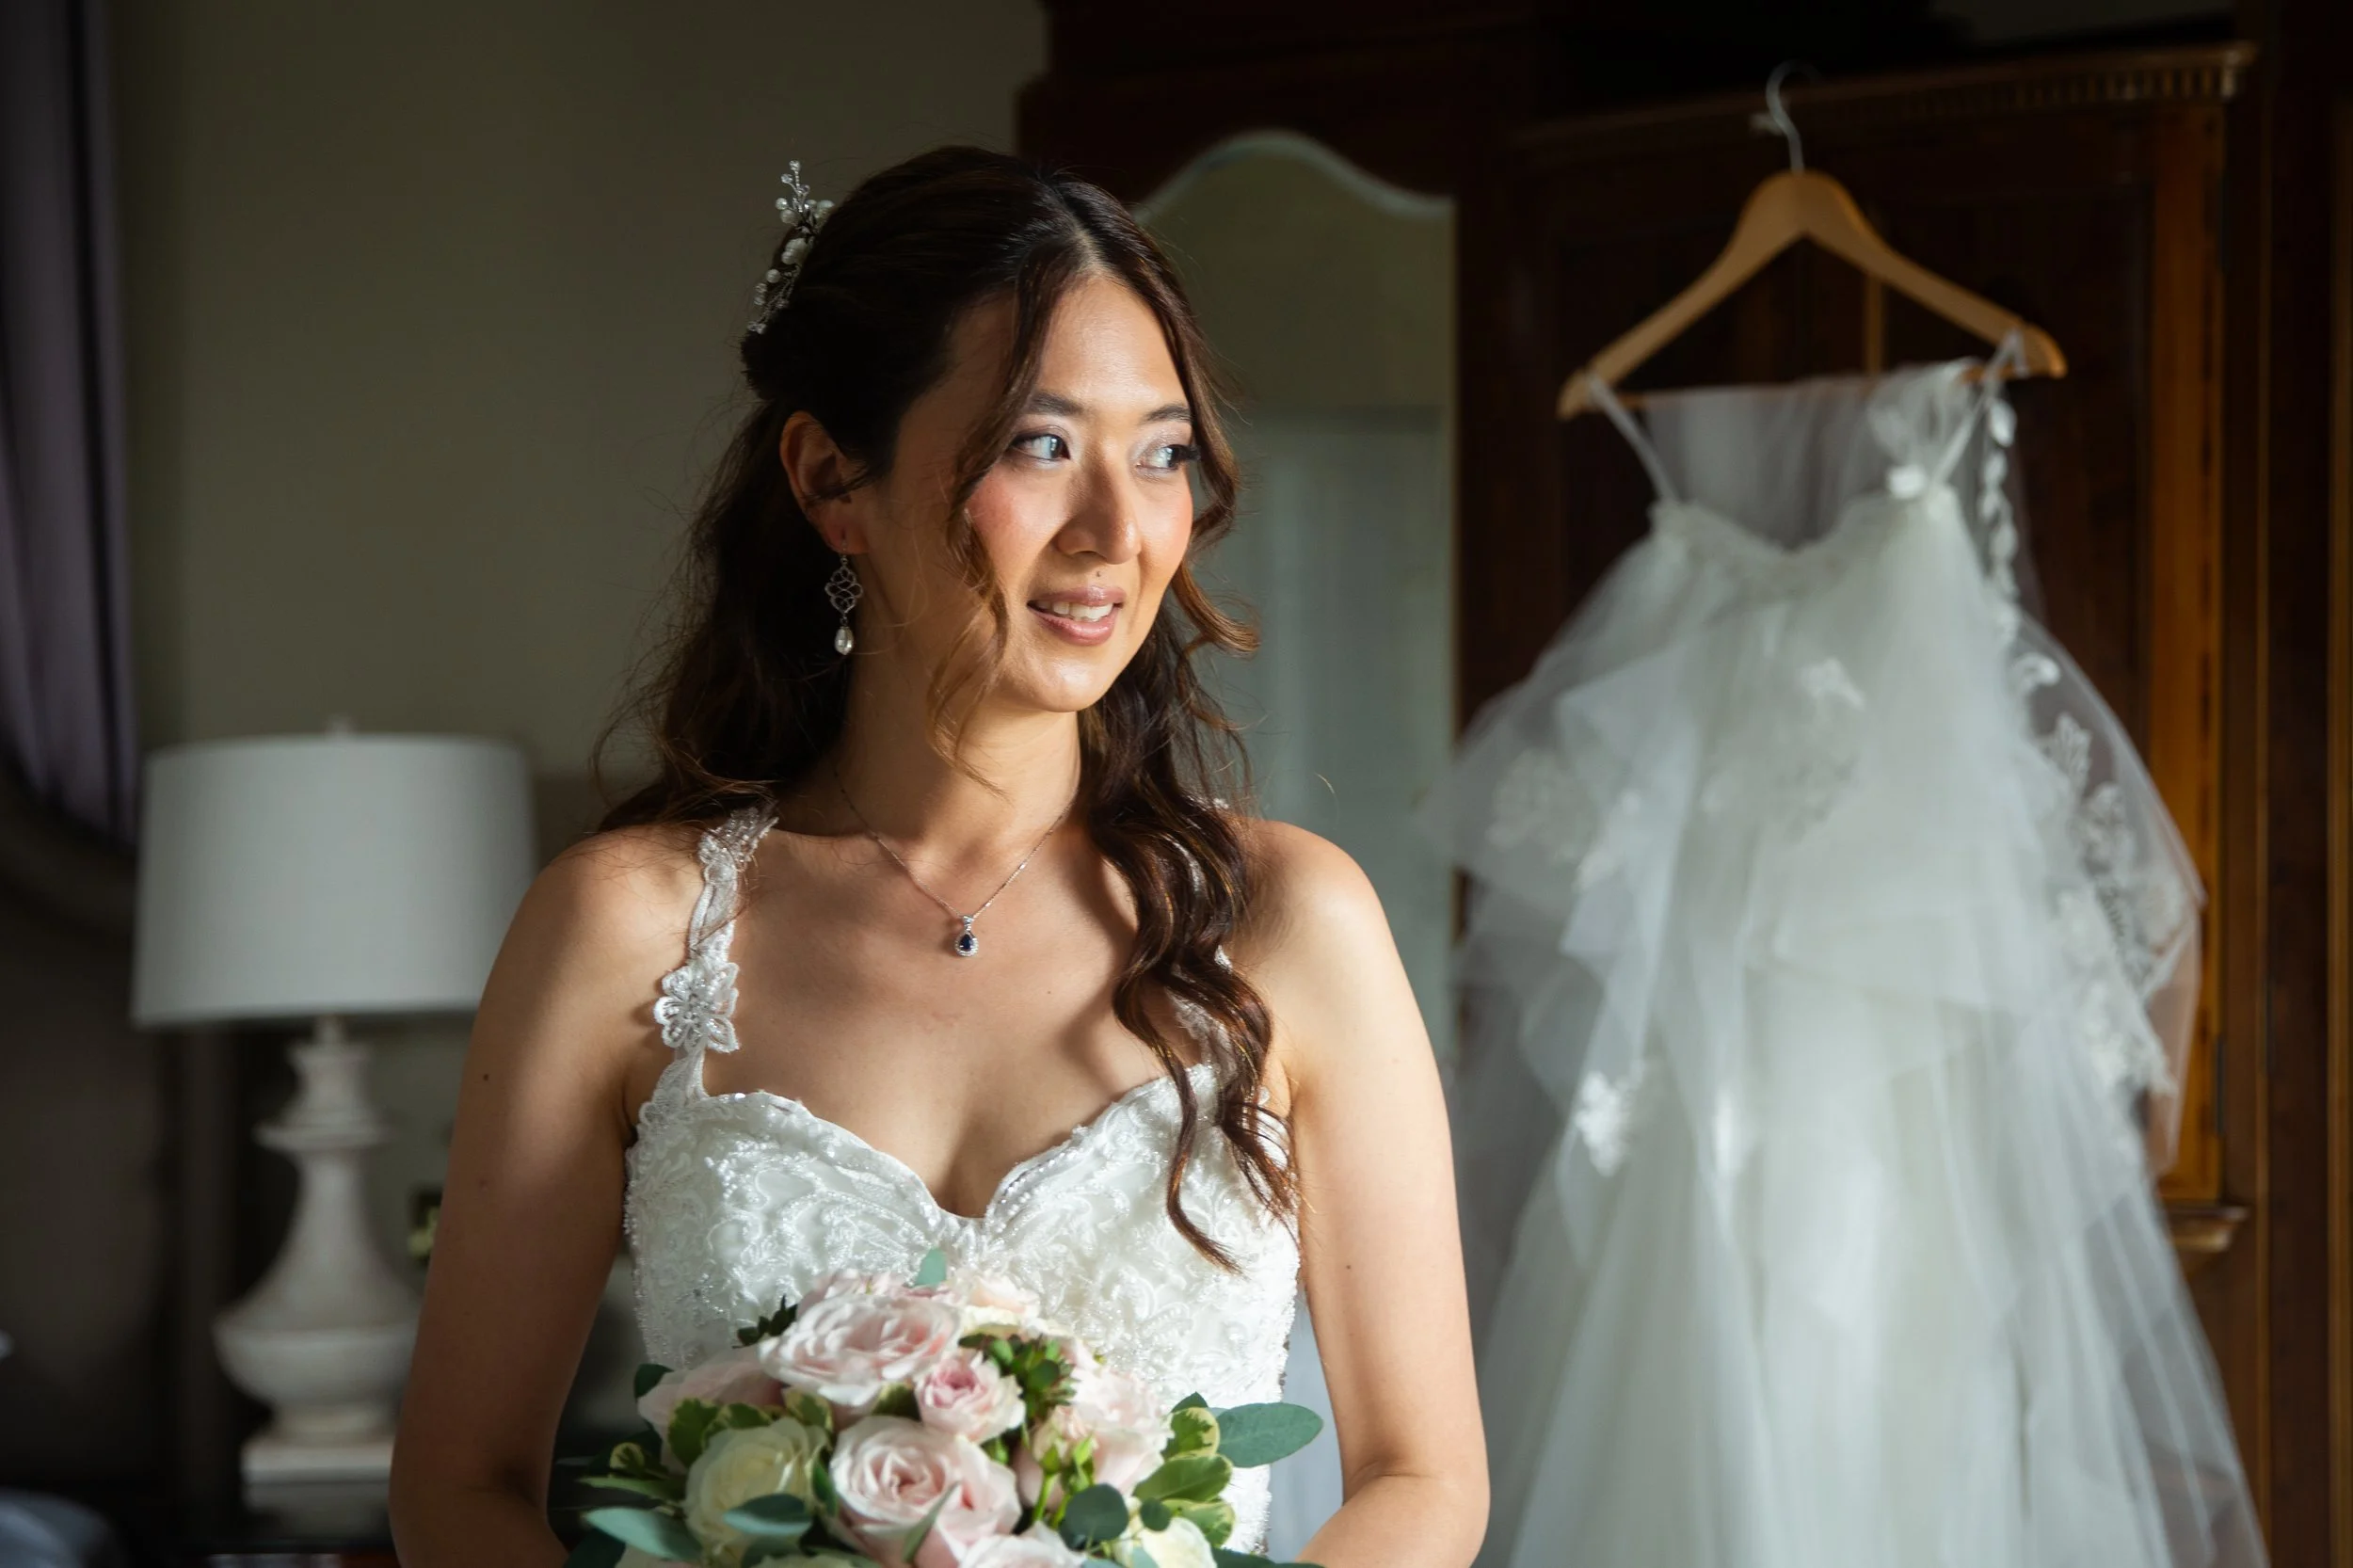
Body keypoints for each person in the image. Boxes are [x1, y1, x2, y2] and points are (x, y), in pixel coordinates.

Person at [388, 145, 1485, 1568]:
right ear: (832, 478)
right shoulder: (630, 931)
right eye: (1041, 445)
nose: (1118, 531)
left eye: (1159, 452)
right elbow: (458, 1485)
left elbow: (1423, 1474)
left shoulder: (1287, 921)